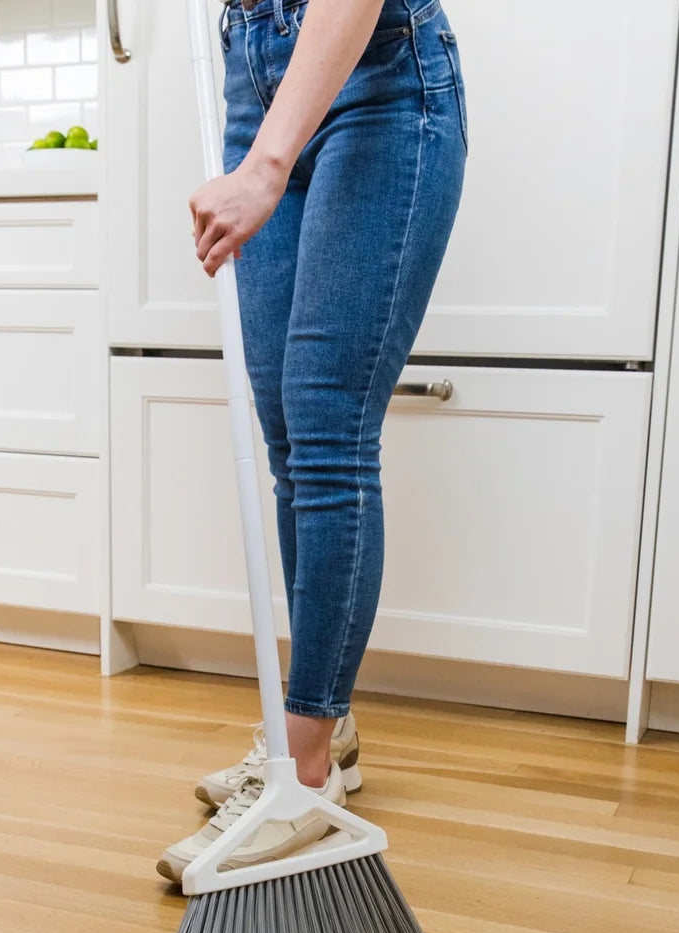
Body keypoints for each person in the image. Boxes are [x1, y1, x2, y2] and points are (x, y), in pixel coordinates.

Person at [158, 0, 467, 882]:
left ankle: (301, 771)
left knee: (329, 431)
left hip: (379, 71)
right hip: (255, 66)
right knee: (291, 438)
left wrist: (264, 165)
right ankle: (327, 724)